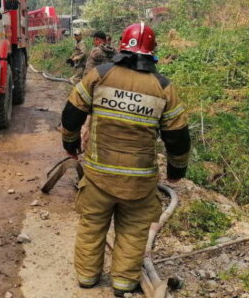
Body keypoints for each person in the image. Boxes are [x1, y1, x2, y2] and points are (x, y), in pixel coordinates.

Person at [60, 22, 191, 296]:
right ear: (153, 51)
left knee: (92, 227)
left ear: (121, 46)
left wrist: (70, 143)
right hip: (139, 184)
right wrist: (177, 171)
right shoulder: (164, 88)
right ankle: (123, 283)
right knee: (133, 232)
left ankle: (86, 277)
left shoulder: (99, 75)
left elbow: (72, 113)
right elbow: (177, 137)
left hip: (97, 178)